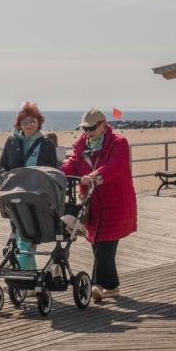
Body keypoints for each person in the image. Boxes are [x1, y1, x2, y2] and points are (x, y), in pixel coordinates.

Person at [61, 108, 137, 303]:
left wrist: (93, 177)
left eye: (92, 127)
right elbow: (71, 164)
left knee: (104, 245)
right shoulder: (81, 146)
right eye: (85, 127)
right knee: (98, 245)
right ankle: (112, 287)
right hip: (92, 205)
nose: (88, 131)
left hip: (116, 203)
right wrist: (57, 174)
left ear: (104, 125)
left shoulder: (119, 142)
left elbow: (116, 165)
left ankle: (96, 285)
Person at [0, 101, 58, 269]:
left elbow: (52, 169)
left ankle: (23, 277)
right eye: (24, 121)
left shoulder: (46, 143)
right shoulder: (12, 141)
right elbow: (2, 164)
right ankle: (28, 276)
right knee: (19, 235)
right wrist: (5, 176)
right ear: (19, 123)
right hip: (14, 193)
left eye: (32, 121)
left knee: (25, 237)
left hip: (35, 195)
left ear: (38, 122)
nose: (29, 125)